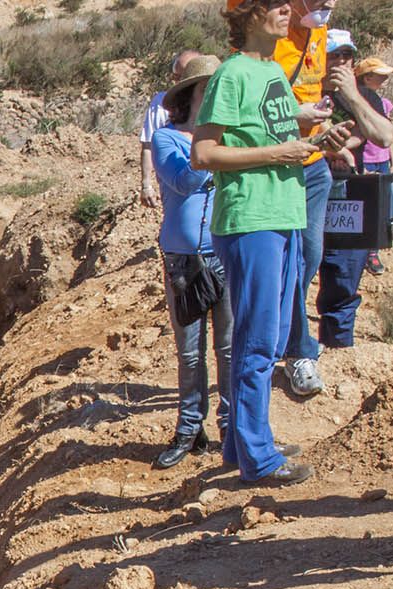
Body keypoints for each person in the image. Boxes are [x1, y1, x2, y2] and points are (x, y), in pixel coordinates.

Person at [192, 0, 324, 485]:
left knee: (263, 336)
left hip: (283, 213)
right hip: (252, 220)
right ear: (248, 15)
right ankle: (260, 458)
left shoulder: (271, 72)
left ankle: (241, 443)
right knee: (259, 339)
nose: (287, 10)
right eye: (274, 4)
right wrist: (281, 151)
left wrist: (312, 132)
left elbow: (271, 134)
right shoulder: (233, 73)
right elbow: (203, 152)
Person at [152, 55, 233, 469]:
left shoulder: (230, 138)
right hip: (184, 259)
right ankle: (189, 429)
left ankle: (232, 427)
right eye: (208, 88)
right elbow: (182, 181)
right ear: (192, 94)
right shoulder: (168, 140)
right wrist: (212, 154)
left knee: (229, 347)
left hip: (225, 251)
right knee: (190, 351)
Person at [273, 0, 338, 397]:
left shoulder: (319, 31)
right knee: (293, 260)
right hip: (281, 163)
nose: (328, 4)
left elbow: (315, 86)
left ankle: (285, 330)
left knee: (308, 256)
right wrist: (298, 114)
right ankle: (299, 351)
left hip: (315, 163)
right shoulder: (268, 34)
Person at [314, 32, 390, 349]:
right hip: (302, 189)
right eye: (334, 55)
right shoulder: (303, 90)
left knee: (343, 275)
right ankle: (294, 352)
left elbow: (383, 136)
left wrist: (351, 95)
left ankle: (337, 348)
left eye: (347, 56)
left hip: (346, 195)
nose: (341, 62)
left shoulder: (364, 96)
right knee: (295, 274)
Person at [140, 50, 203, 210]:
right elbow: (148, 145)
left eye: (180, 76)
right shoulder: (160, 103)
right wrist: (147, 183)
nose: (175, 80)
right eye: (174, 75)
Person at [353, 55, 391, 274]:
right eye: (380, 76)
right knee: (365, 209)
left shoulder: (384, 103)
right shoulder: (358, 102)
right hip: (366, 161)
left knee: (382, 208)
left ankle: (374, 249)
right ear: (367, 78)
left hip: (382, 162)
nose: (384, 80)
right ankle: (367, 252)